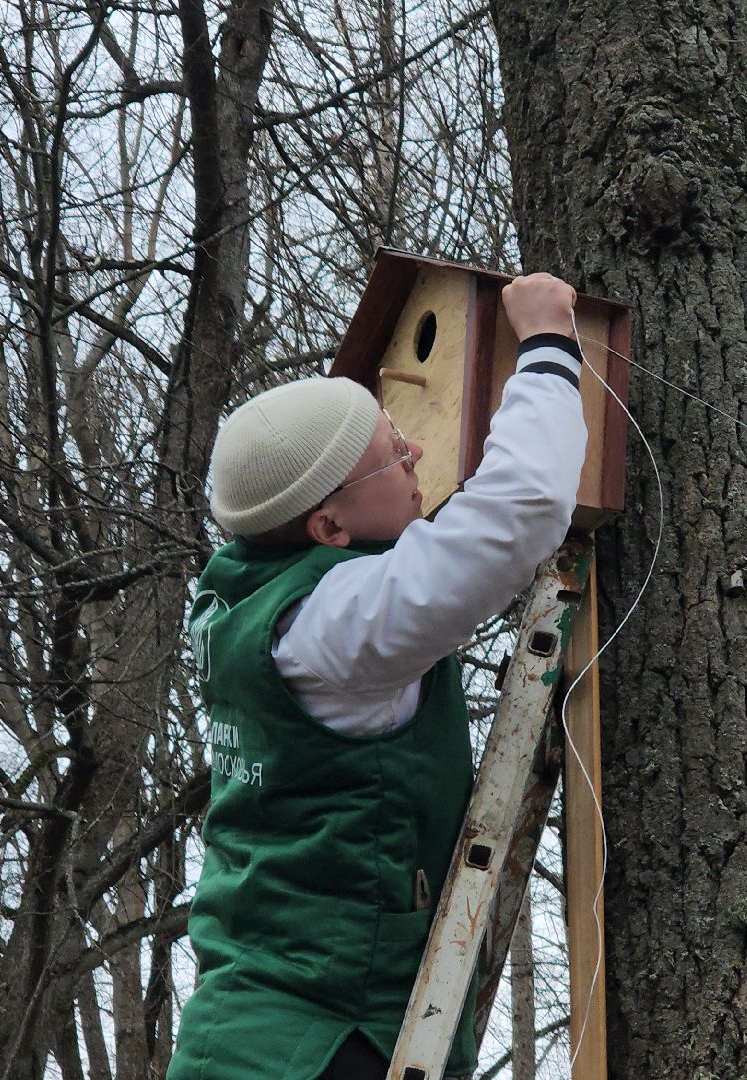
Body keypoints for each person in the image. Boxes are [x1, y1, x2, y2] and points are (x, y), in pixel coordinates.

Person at [169, 273, 589, 1080]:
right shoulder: (333, 628)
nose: (417, 453)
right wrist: (545, 353)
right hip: (321, 1044)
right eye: (391, 459)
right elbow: (519, 512)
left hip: (249, 1031)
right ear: (327, 526)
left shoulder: (241, 597)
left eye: (399, 433)